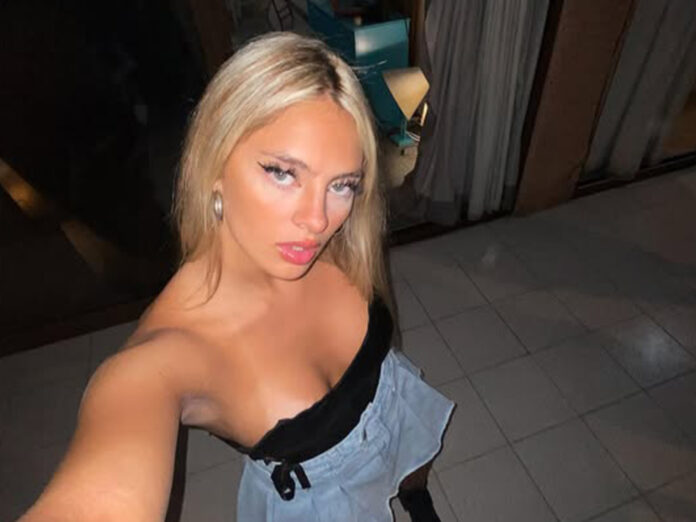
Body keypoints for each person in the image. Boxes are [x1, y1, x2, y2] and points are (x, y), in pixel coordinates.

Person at [20, 32, 454, 522]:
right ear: (215, 166)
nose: (317, 220)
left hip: (392, 403)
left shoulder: (341, 235)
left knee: (413, 462)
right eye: (283, 172)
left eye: (342, 184)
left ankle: (414, 492)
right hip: (327, 503)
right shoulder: (160, 362)